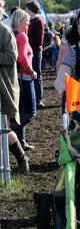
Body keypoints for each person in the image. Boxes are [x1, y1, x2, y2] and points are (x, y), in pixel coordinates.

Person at [0, 20, 29, 173]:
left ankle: (21, 158)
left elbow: (12, 56)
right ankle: (21, 157)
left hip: (3, 87)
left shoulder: (4, 31)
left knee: (2, 129)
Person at [10, 9, 37, 152]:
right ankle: (6, 133)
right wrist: (32, 71)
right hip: (25, 76)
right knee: (30, 112)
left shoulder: (10, 34)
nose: (29, 23)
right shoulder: (22, 36)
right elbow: (22, 57)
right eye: (27, 20)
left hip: (14, 77)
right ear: (20, 21)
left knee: (19, 111)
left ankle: (21, 142)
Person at [25, 0, 45, 108]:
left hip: (36, 51)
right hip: (28, 51)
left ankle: (39, 99)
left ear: (29, 9)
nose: (25, 10)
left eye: (26, 8)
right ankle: (31, 98)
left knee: (37, 75)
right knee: (29, 74)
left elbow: (39, 40)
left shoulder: (38, 21)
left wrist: (26, 41)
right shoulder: (28, 21)